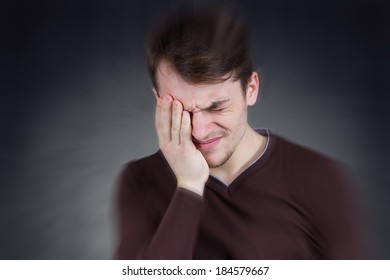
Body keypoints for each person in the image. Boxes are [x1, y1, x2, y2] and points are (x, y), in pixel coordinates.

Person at [115, 7, 363, 259]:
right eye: (181, 109)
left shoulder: (318, 177)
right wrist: (189, 187)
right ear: (158, 101)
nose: (200, 131)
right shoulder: (141, 180)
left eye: (217, 107)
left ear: (251, 89)